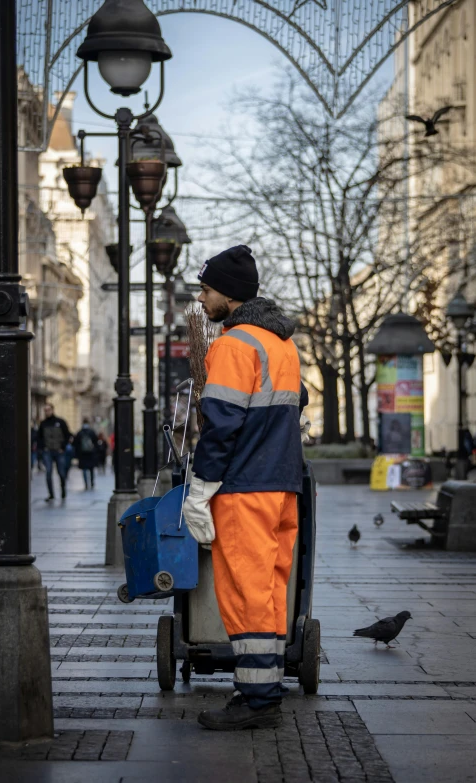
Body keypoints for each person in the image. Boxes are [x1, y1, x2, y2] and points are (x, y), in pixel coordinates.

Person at [183, 245, 308, 731]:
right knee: (272, 590)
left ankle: (258, 704)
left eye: (208, 289)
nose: (202, 297)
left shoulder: (233, 346)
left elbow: (221, 426)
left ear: (228, 296)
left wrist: (199, 490)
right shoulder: (281, 344)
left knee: (244, 591)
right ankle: (262, 688)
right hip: (282, 485)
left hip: (244, 486)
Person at [38, 403, 71, 502]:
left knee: (61, 472)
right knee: (48, 473)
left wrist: (63, 447)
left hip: (59, 451)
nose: (47, 412)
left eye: (48, 410)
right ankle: (51, 494)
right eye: (45, 410)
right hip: (47, 451)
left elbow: (67, 435)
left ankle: (63, 490)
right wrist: (43, 448)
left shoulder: (60, 422)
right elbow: (39, 437)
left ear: (52, 410)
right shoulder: (43, 423)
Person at [74, 419, 98, 490]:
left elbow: (76, 444)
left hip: (82, 454)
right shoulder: (92, 432)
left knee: (84, 470)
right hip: (91, 454)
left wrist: (77, 454)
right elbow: (96, 442)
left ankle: (86, 484)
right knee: (91, 469)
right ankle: (92, 483)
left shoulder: (80, 432)